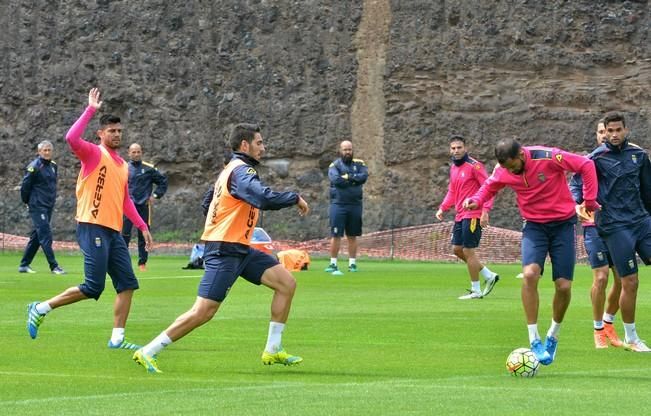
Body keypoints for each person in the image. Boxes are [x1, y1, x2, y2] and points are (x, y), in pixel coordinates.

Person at [132, 123, 309, 374]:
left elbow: (208, 203)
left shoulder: (229, 170)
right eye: (259, 143)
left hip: (239, 248)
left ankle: (272, 349)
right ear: (244, 145)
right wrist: (293, 197)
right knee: (204, 311)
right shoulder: (241, 171)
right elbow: (262, 198)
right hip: (225, 250)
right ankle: (148, 350)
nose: (264, 147)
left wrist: (223, 222)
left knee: (286, 284)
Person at [26, 88, 153, 351]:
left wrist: (141, 226)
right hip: (91, 226)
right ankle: (40, 308)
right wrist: (90, 110)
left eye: (119, 131)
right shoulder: (94, 154)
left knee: (128, 284)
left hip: (113, 232)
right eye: (111, 131)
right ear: (101, 133)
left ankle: (117, 339)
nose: (116, 135)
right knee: (93, 287)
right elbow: (71, 138)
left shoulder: (122, 165)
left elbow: (125, 201)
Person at [464, 138, 598, 365]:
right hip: (534, 227)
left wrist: (590, 200)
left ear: (521, 156)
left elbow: (586, 165)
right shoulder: (504, 169)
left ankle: (553, 335)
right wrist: (476, 200)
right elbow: (489, 185)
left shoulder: (548, 156)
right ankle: (534, 339)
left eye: (512, 166)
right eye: (505, 168)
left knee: (563, 286)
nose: (510, 172)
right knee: (529, 274)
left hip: (563, 226)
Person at [588, 112, 651, 352]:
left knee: (628, 281)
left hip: (642, 221)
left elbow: (648, 190)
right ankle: (632, 338)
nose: (613, 135)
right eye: (609, 130)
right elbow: (578, 184)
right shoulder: (595, 158)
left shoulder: (639, 155)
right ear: (604, 131)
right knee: (630, 281)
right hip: (615, 226)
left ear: (626, 130)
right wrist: (579, 203)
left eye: (618, 130)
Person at [569, 119, 623, 349]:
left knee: (622, 279)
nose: (605, 135)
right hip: (593, 226)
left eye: (608, 131)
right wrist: (575, 205)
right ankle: (598, 329)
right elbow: (573, 188)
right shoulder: (587, 161)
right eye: (601, 131)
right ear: (597, 135)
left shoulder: (625, 159)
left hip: (620, 226)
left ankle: (609, 322)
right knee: (601, 277)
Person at [436, 135, 499, 299]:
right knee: (457, 249)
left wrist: (485, 210)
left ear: (466, 148)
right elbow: (452, 191)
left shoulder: (475, 166)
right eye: (453, 148)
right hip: (460, 214)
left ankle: (476, 290)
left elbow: (489, 187)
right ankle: (488, 275)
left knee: (468, 250)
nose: (456, 151)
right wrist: (443, 207)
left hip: (473, 213)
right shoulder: (453, 168)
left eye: (459, 147)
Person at [18, 140, 66, 275]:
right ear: (39, 152)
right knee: (45, 235)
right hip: (37, 205)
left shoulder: (53, 166)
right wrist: (26, 201)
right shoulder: (34, 167)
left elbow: (51, 186)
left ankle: (24, 265)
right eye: (44, 150)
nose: (47, 152)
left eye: (49, 150)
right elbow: (25, 186)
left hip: (48, 205)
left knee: (37, 236)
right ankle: (54, 266)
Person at [122, 143, 168, 272]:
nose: (136, 154)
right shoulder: (123, 168)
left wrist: (155, 195)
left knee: (144, 235)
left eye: (138, 152)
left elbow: (163, 182)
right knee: (124, 234)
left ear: (141, 152)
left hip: (143, 206)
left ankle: (142, 262)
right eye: (133, 152)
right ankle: (123, 262)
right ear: (129, 153)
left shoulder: (149, 168)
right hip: (128, 207)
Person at [325, 140, 368, 275]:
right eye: (345, 149)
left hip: (355, 204)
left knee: (352, 235)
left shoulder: (360, 164)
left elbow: (363, 177)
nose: (348, 152)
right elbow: (337, 181)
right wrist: (353, 180)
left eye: (349, 149)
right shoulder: (335, 165)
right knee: (336, 234)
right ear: (340, 151)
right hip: (338, 204)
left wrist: (348, 177)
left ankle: (352, 264)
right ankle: (333, 263)